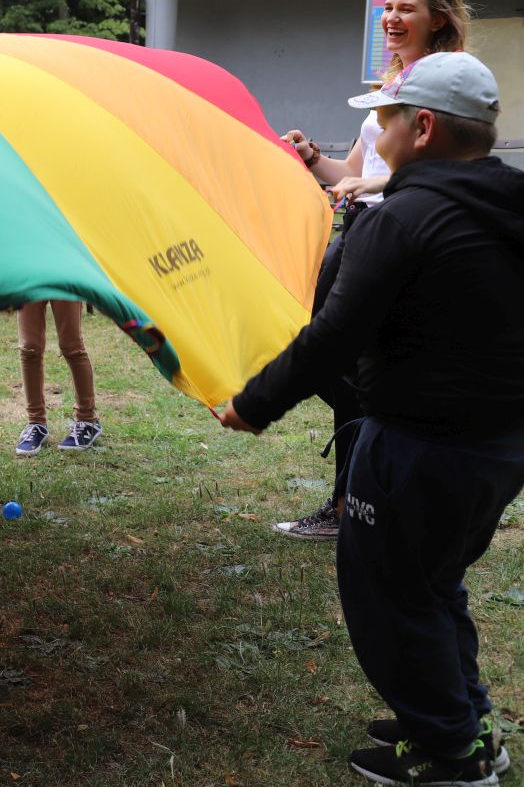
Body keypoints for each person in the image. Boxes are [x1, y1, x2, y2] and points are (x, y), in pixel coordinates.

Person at [220, 52, 521, 786]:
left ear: (421, 127)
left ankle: (448, 755)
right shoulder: (511, 202)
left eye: (384, 115)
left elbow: (330, 338)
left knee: (390, 596)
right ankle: (464, 719)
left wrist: (251, 406)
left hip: (418, 446)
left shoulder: (405, 219)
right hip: (498, 448)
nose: (373, 127)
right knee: (435, 580)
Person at [272, 0, 473, 539]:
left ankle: (358, 503)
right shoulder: (389, 87)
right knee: (326, 356)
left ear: (438, 19)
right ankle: (362, 494)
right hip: (358, 232)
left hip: (402, 240)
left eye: (406, 8)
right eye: (389, 7)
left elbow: (450, 170)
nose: (391, 16)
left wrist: (381, 187)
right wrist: (311, 156)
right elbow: (353, 174)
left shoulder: (450, 82)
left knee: (341, 360)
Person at [13, 300, 102, 454]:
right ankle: (36, 423)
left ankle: (88, 420)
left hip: (65, 277)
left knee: (72, 346)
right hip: (27, 277)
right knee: (29, 348)